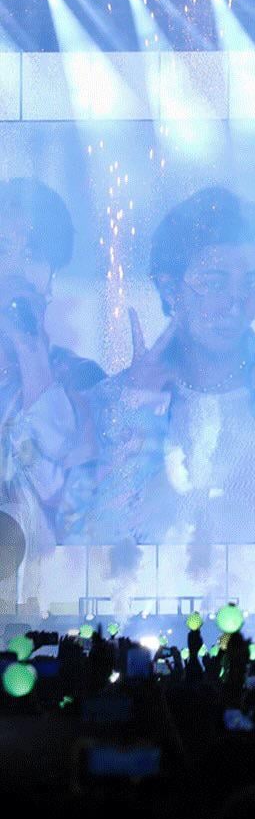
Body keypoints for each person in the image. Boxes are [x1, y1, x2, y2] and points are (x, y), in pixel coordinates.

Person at [89, 186, 255, 546]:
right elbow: (94, 539)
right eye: (215, 283)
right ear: (170, 288)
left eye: (251, 284)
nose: (235, 304)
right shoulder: (121, 399)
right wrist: (133, 414)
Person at [0, 179, 103, 608]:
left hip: (43, 601)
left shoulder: (81, 381)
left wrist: (31, 352)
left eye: (31, 256)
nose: (13, 269)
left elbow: (70, 504)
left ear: (50, 278)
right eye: (3, 249)